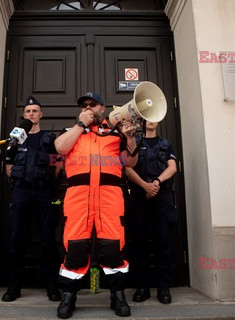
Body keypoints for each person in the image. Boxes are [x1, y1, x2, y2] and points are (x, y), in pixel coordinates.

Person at [54, 92, 138, 318]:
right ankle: (69, 296)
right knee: (76, 246)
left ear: (102, 107)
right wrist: (81, 124)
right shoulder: (71, 132)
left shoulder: (115, 134)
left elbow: (129, 162)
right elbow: (60, 148)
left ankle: (117, 296)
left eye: (93, 104)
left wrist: (130, 138)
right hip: (78, 198)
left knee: (112, 246)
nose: (88, 108)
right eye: (84, 105)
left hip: (109, 197)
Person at [2, 95, 61, 303]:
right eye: (28, 111)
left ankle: (52, 286)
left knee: (47, 240)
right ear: (23, 115)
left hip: (44, 191)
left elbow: (57, 165)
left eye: (35, 111)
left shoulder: (50, 138)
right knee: (17, 239)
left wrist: (45, 181)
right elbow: (8, 168)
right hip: (21, 192)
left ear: (41, 115)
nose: (31, 114)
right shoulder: (14, 139)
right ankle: (14, 286)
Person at [125, 120, 177, 305]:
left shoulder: (166, 143)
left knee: (164, 242)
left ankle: (163, 287)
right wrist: (145, 185)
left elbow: (172, 167)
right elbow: (127, 167)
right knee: (139, 243)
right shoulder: (134, 142)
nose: (152, 120)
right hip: (139, 195)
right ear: (142, 121)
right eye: (148, 116)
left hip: (161, 195)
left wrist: (156, 182)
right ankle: (142, 287)